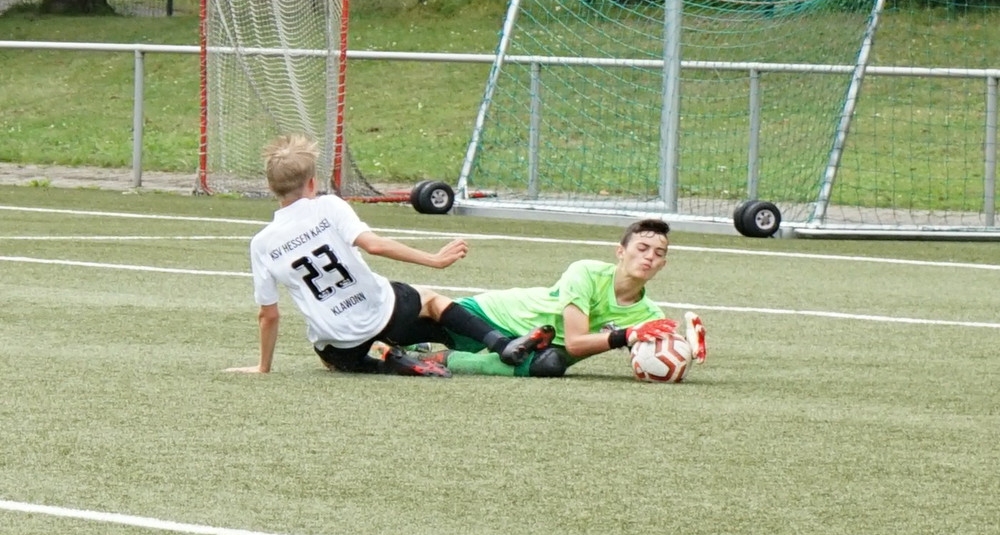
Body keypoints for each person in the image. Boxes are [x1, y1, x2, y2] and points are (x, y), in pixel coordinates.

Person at [224, 134, 554, 377]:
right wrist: (434, 259)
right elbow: (375, 245)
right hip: (385, 313)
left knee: (329, 359)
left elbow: (268, 315)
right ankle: (501, 344)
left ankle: (387, 358)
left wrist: (263, 367)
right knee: (430, 300)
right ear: (312, 183)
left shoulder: (262, 242)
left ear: (271, 187)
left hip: (341, 345)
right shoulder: (328, 206)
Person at [409, 218, 707, 378]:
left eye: (658, 253)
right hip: (494, 315)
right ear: (620, 252)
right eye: (642, 248)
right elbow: (576, 342)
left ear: (663, 264)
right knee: (406, 329)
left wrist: (688, 348)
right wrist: (628, 334)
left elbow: (656, 350)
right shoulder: (586, 272)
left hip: (542, 349)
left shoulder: (650, 314)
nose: (649, 257)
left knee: (550, 365)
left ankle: (446, 359)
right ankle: (415, 345)